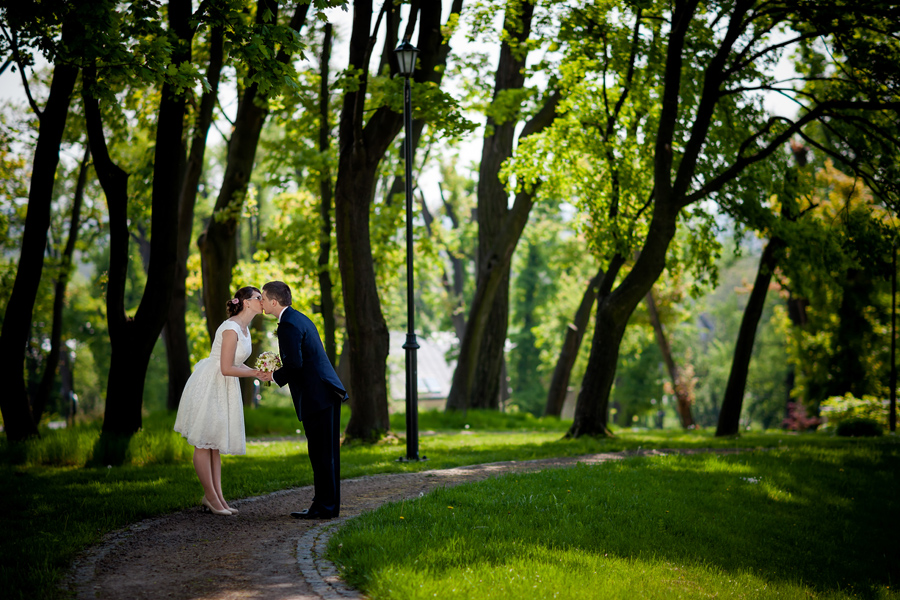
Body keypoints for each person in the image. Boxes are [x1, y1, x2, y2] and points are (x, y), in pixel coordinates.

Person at [174, 286, 266, 516]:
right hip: (210, 384)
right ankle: (211, 498)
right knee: (204, 443)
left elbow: (236, 363)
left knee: (213, 444)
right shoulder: (231, 328)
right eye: (259, 298)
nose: (263, 301)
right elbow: (226, 368)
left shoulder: (244, 329)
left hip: (223, 386)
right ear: (246, 302)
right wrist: (254, 374)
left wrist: (258, 371)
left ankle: (218, 498)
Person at [259, 281, 347, 519]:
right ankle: (323, 506)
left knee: (321, 454)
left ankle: (325, 508)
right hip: (323, 393)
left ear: (274, 302)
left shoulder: (288, 324)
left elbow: (295, 364)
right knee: (323, 454)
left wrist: (274, 376)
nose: (262, 303)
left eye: (264, 299)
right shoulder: (299, 318)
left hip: (317, 395)